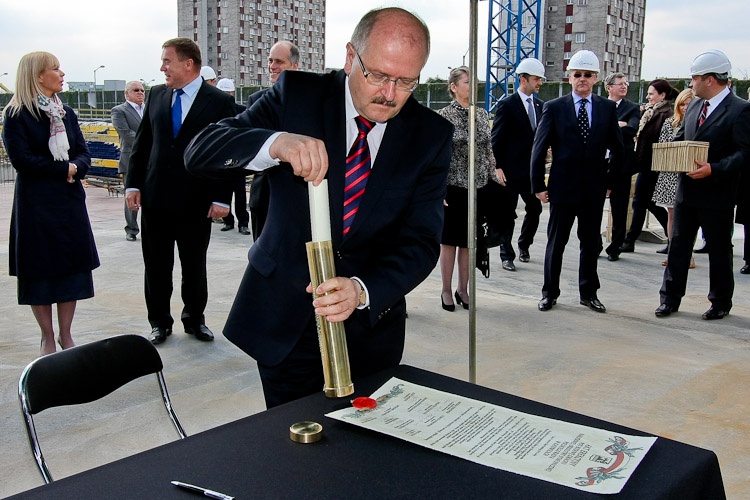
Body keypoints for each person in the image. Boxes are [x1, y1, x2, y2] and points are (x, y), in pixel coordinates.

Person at [184, 7, 453, 407]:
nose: (389, 94)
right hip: (285, 320)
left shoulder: (430, 134)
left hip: (368, 331)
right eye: (378, 75)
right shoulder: (297, 95)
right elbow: (200, 151)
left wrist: (362, 289)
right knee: (291, 436)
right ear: (350, 57)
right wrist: (276, 143)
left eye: (406, 82)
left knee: (361, 442)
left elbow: (421, 241)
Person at [125, 38, 236, 345]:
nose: (162, 67)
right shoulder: (157, 94)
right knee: (156, 266)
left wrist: (222, 197)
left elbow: (228, 152)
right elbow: (143, 143)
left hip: (196, 200)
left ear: (188, 64)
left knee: (194, 265)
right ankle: (159, 322)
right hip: (155, 198)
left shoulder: (218, 101)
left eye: (167, 61)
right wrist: (133, 184)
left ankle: (195, 319)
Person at [2, 52, 100, 356]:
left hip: (68, 202)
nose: (62, 73)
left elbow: (83, 152)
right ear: (37, 76)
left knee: (70, 268)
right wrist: (64, 169)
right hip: (36, 205)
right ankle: (47, 336)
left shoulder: (65, 113)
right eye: (55, 69)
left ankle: (65, 334)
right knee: (40, 270)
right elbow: (21, 160)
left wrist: (77, 166)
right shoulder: (17, 114)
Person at [655, 50, 750, 320]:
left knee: (719, 250)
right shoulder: (696, 106)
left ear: (710, 79)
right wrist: (667, 152)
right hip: (687, 192)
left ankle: (720, 302)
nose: (690, 83)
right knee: (678, 247)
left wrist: (714, 169)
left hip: (717, 194)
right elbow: (683, 139)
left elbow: (744, 153)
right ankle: (669, 299)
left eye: (694, 78)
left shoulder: (740, 110)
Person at [530, 50, 623, 313]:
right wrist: (538, 185)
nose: (582, 79)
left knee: (590, 243)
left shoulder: (606, 108)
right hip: (562, 188)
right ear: (570, 77)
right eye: (578, 74)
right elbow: (539, 148)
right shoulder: (554, 107)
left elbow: (618, 148)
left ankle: (589, 293)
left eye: (588, 75)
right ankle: (549, 293)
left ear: (596, 78)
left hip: (594, 189)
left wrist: (611, 181)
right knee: (556, 242)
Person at [438, 66, 498, 310]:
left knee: (469, 242)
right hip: (453, 188)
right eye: (467, 82)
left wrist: (494, 178)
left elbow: (488, 150)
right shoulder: (444, 116)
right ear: (453, 87)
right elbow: (438, 155)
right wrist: (438, 188)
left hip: (478, 187)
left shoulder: (482, 114)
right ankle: (445, 289)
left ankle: (463, 289)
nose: (473, 86)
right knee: (449, 241)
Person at [491, 58, 544, 272]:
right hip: (510, 172)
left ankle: (524, 245)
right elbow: (496, 139)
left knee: (535, 209)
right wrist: (497, 166)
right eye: (536, 79)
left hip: (531, 172)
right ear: (523, 79)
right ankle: (507, 254)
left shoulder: (540, 106)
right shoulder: (507, 105)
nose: (540, 83)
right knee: (507, 214)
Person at [246, 40, 301, 240]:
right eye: (270, 60)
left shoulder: (308, 102)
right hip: (264, 195)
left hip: (298, 195)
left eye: (279, 61)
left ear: (294, 66)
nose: (272, 66)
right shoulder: (256, 101)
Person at [619, 81, 676, 254]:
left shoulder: (666, 114)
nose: (648, 97)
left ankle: (630, 241)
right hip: (644, 163)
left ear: (662, 95)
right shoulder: (651, 112)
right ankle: (672, 238)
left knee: (641, 201)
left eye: (651, 94)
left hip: (653, 165)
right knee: (648, 202)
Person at [651, 88, 695, 269]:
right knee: (672, 215)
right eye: (682, 104)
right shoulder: (670, 123)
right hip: (670, 174)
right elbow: (663, 146)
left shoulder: (699, 122)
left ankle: (688, 255)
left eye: (689, 104)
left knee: (688, 218)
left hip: (689, 175)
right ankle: (673, 253)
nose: (685, 108)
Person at [602, 73, 640, 262]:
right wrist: (618, 125)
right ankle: (593, 245)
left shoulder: (632, 108)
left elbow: (631, 129)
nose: (624, 86)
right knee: (592, 208)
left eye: (626, 83)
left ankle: (615, 247)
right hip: (599, 164)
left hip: (621, 165)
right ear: (609, 87)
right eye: (620, 84)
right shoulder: (599, 105)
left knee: (619, 209)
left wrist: (610, 127)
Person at [216, 78, 251, 235]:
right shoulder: (214, 112)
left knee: (240, 192)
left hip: (238, 158)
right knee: (223, 190)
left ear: (232, 93)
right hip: (221, 158)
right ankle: (228, 220)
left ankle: (243, 223)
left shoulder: (242, 111)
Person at [111, 80, 145, 242]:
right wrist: (150, 141)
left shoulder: (149, 109)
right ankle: (131, 229)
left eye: (142, 90)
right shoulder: (119, 111)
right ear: (127, 93)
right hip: (131, 159)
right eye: (136, 90)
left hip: (151, 160)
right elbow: (125, 133)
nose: (140, 93)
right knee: (132, 195)